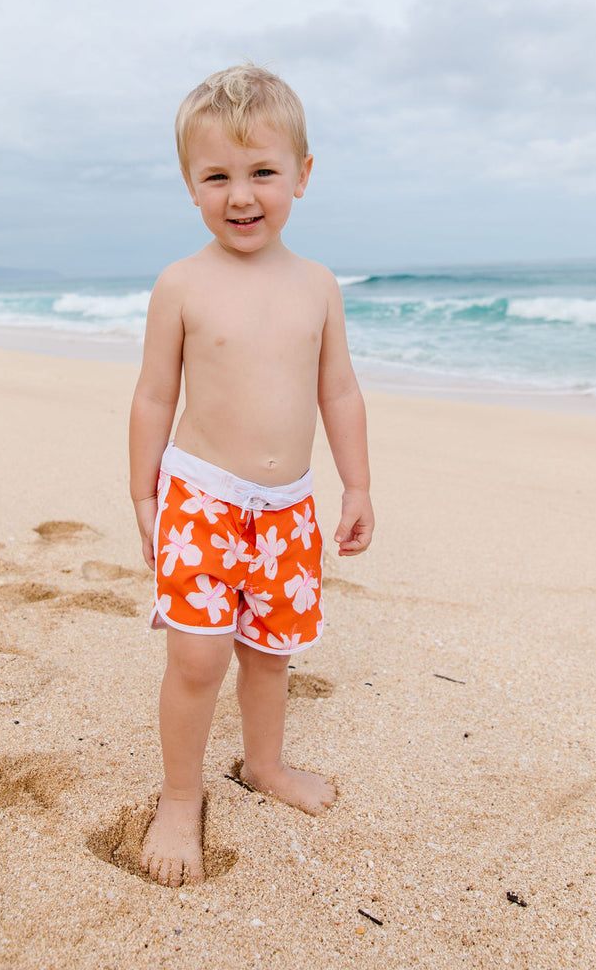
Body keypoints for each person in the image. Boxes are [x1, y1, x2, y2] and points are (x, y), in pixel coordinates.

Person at [129, 64, 374, 888]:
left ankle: (263, 763)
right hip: (201, 497)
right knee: (198, 661)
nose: (242, 195)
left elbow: (337, 389)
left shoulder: (318, 287)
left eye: (263, 171)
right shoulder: (183, 284)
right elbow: (155, 394)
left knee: (271, 655)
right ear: (190, 186)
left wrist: (358, 485)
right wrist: (143, 493)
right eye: (218, 176)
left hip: (288, 508)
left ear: (302, 176)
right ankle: (178, 795)